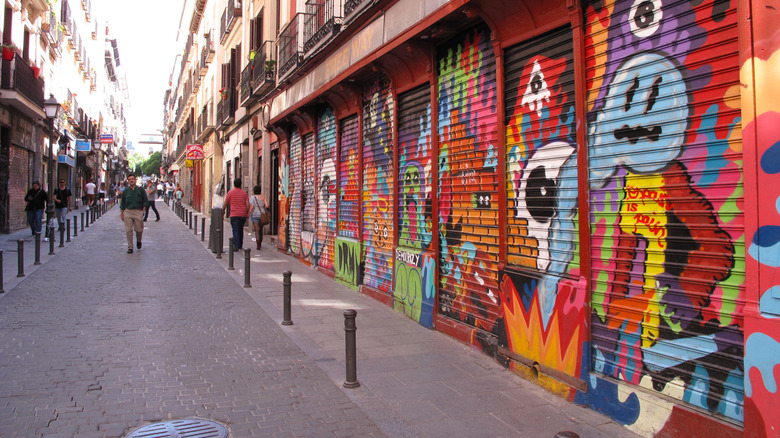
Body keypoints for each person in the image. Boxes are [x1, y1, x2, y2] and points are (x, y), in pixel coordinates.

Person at [119, 174, 148, 254]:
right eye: (129, 179)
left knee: (139, 229)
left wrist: (143, 211)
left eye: (132, 179)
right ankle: (130, 247)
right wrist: (122, 213)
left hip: (138, 211)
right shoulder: (125, 191)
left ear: (135, 180)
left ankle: (139, 240)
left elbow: (145, 201)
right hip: (128, 211)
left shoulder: (140, 190)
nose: (131, 180)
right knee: (128, 230)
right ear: (128, 181)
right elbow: (122, 204)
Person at [224, 178, 249, 252]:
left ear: (234, 184)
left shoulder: (230, 193)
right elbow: (247, 205)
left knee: (235, 229)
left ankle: (237, 245)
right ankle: (240, 244)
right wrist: (246, 212)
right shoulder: (244, 193)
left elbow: (226, 203)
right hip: (242, 214)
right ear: (241, 184)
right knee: (240, 229)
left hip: (234, 214)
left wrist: (223, 210)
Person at [248, 185, 268, 250]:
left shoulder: (252, 198)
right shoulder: (263, 197)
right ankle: (260, 242)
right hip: (262, 214)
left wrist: (248, 214)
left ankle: (258, 244)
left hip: (254, 215)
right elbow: (267, 206)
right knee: (261, 230)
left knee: (257, 229)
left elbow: (251, 207)